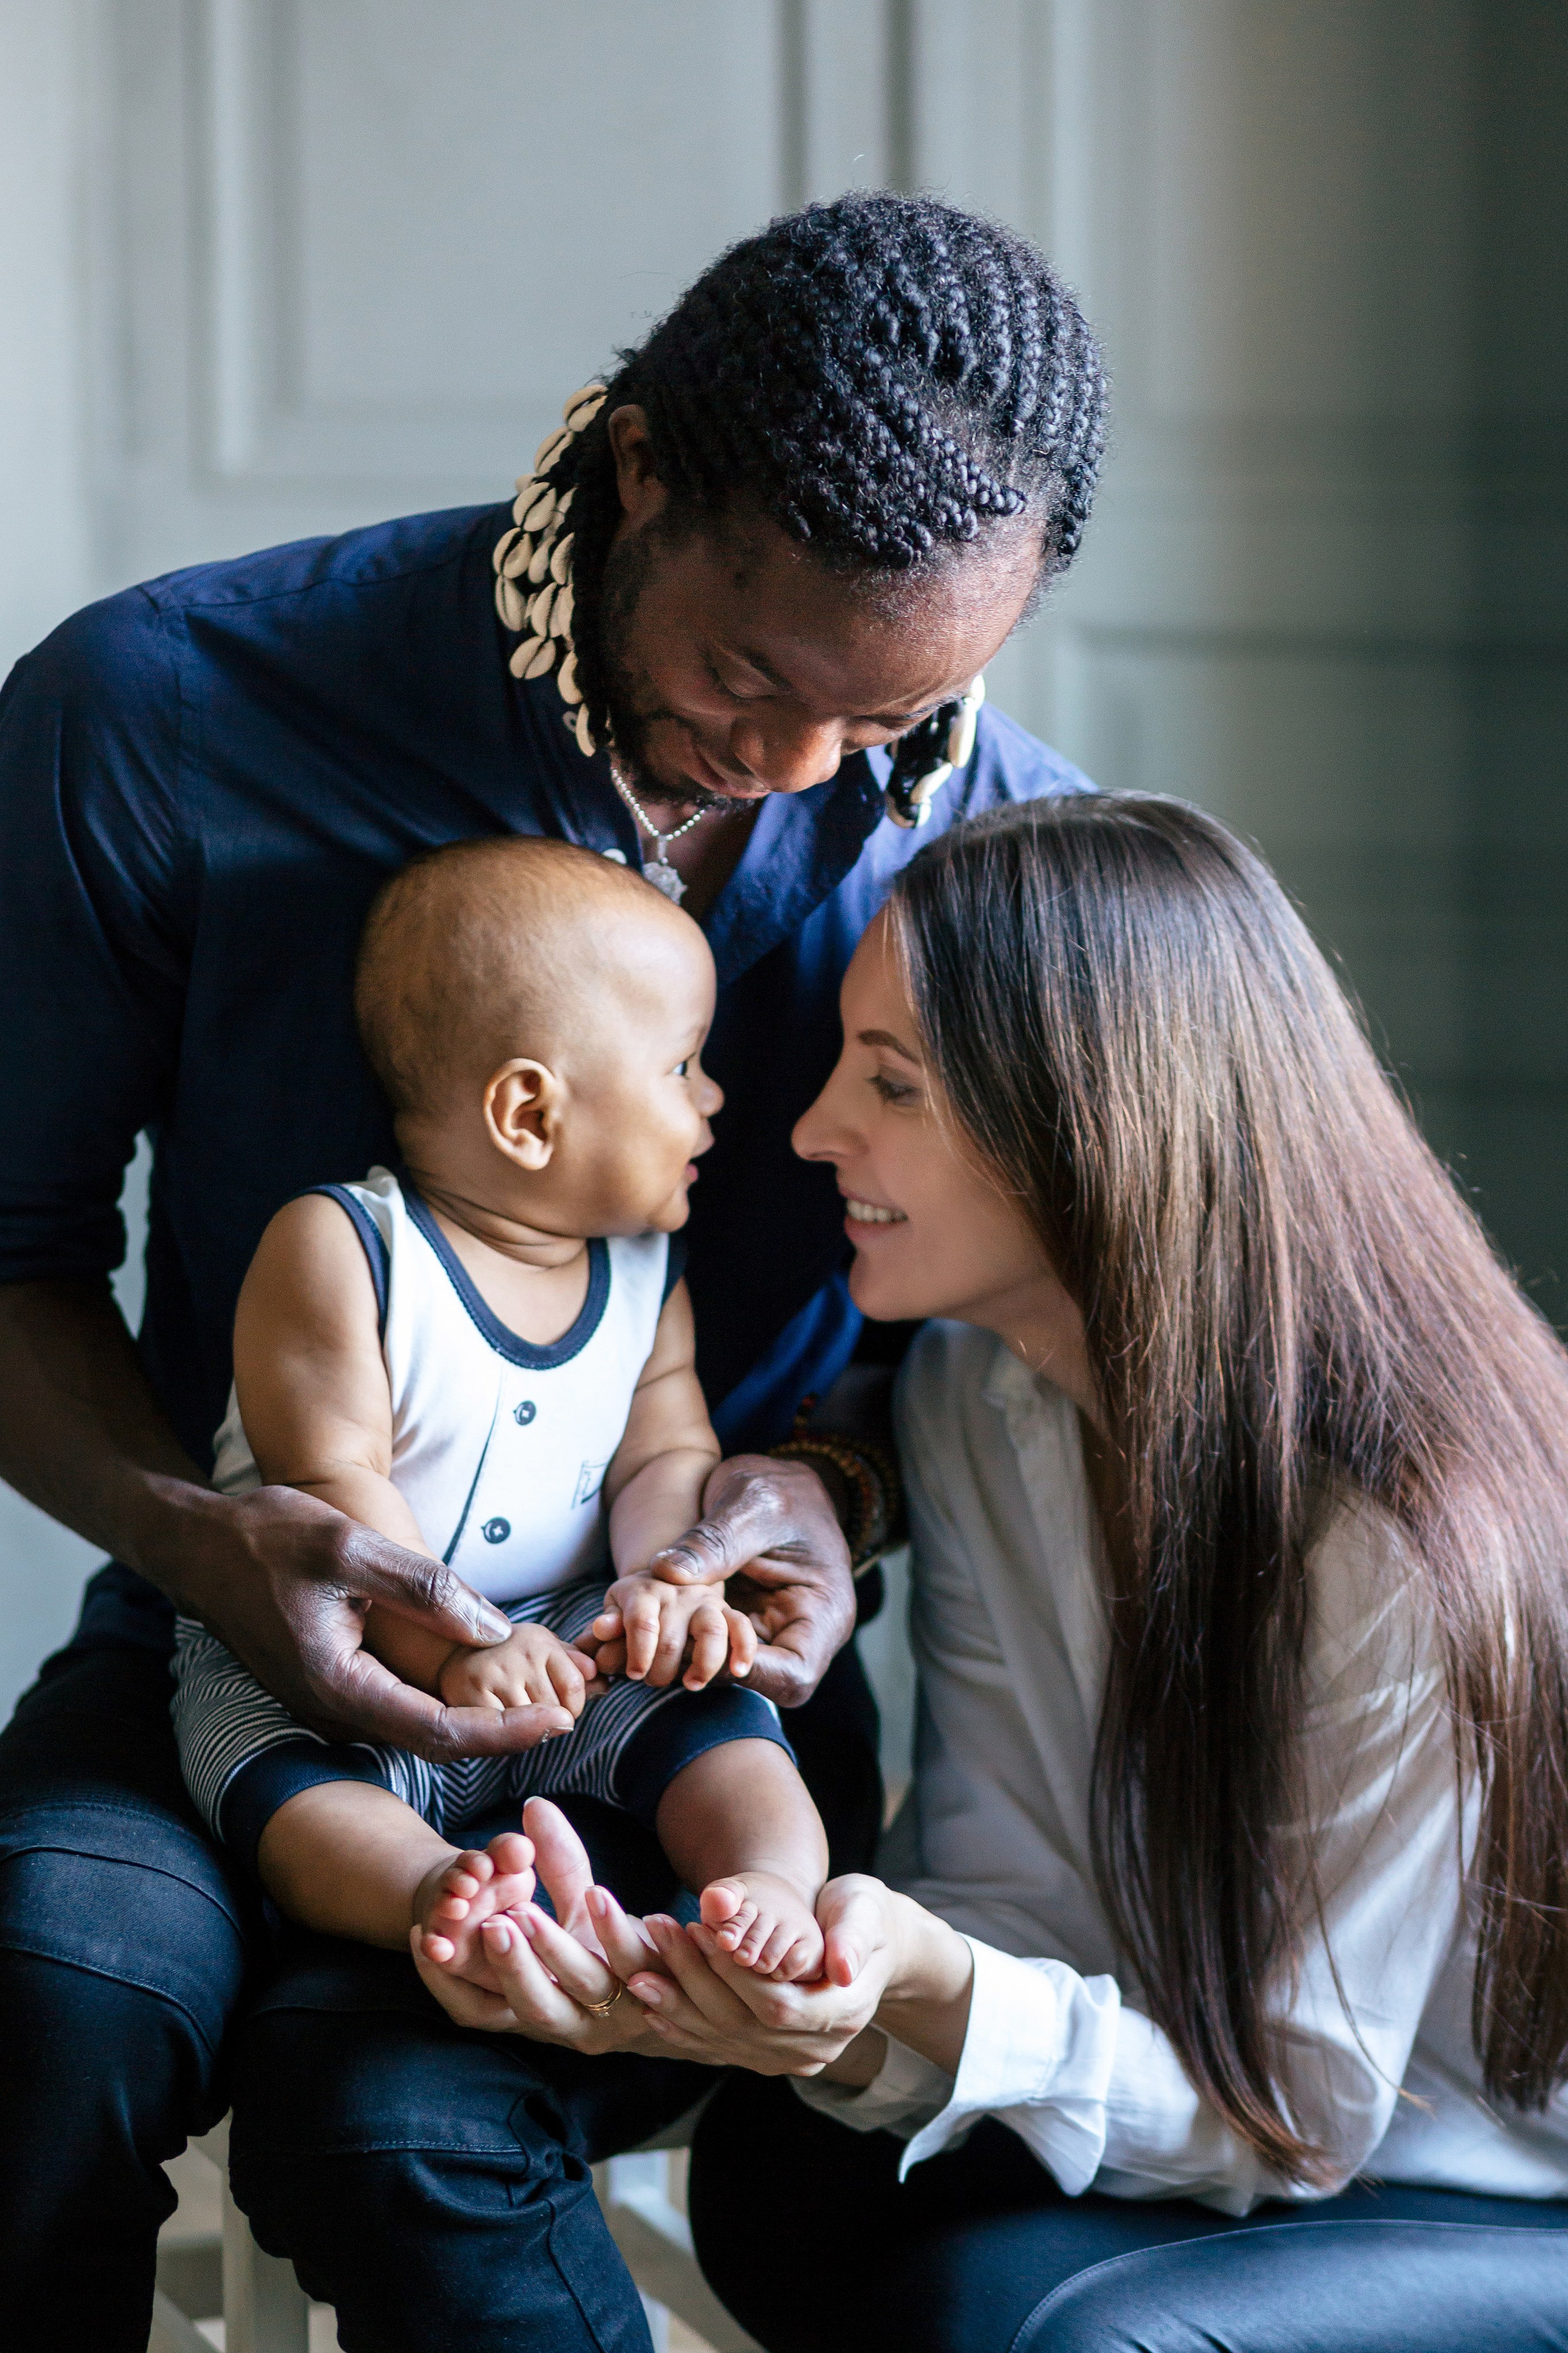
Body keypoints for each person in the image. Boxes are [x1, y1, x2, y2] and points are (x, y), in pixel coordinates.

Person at [0, 192, 1106, 2348]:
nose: (804, 777)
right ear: (637, 475)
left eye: (894, 720)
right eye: (749, 677)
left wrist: (818, 1501)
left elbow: (1035, 1339)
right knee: (45, 1994)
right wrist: (216, 1543)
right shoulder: (166, 712)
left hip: (669, 1710)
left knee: (394, 2110)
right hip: (238, 1630)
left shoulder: (1006, 860)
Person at [456, 796, 1568, 2349]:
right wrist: (840, 1994)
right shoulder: (973, 1397)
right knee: (783, 2171)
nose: (811, 1126)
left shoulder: (1392, 1524)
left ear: (1086, 1113)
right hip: (1274, 2101)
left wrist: (923, 1976)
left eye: (890, 1083)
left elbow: (1302, 2102)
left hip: (1493, 2171)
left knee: (1029, 2328)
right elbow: (1015, 1893)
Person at [175, 833, 829, 1982]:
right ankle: (427, 1892)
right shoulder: (344, 1250)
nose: (715, 1096)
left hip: (567, 1640)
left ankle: (769, 1882)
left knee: (731, 1737)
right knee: (278, 1788)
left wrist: (675, 1580)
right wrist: (455, 1647)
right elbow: (339, 1491)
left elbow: (662, 1451)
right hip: (348, 1654)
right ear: (528, 1112)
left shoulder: (641, 1272)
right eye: (682, 1066)